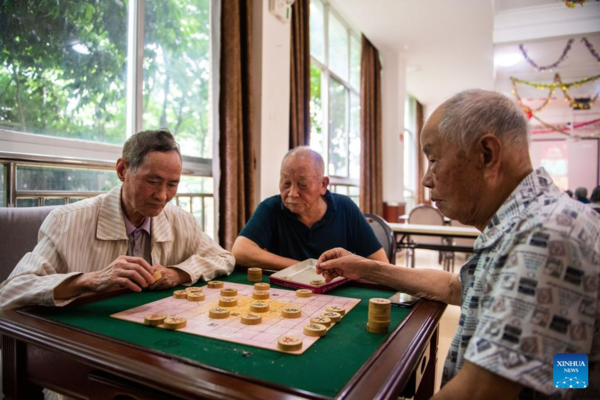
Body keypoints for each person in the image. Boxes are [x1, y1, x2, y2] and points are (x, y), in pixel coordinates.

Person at [317, 90, 600, 399]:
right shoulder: (532, 221)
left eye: (434, 159)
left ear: (487, 155)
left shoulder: (545, 234)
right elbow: (456, 287)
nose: (426, 179)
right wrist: (365, 268)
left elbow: (480, 393)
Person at [0, 129, 235, 309]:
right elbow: (11, 291)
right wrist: (91, 280)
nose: (163, 196)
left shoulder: (181, 221)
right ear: (122, 170)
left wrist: (177, 273)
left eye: (172, 184)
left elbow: (223, 258)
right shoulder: (66, 223)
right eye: (152, 181)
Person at [231, 146, 388, 270]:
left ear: (323, 185)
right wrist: (305, 268)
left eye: (303, 185)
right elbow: (239, 252)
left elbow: (382, 264)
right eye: (286, 184)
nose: (292, 193)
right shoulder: (271, 208)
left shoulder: (345, 208)